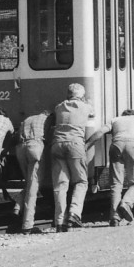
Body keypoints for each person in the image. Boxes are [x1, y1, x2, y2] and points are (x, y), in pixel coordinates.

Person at [50, 83, 95, 232]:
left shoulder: (59, 107)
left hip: (57, 144)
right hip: (75, 144)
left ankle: (59, 222)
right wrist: (87, 101)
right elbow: (93, 113)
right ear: (81, 96)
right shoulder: (85, 107)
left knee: (60, 185)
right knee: (81, 181)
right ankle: (74, 214)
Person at [107, 109, 134, 226]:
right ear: (133, 115)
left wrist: (88, 143)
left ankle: (114, 218)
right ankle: (126, 203)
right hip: (132, 147)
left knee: (116, 184)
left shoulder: (115, 120)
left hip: (116, 146)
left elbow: (101, 131)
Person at [15, 109, 53, 233]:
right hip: (35, 147)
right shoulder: (48, 119)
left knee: (29, 182)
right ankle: (27, 224)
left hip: (20, 148)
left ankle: (18, 205)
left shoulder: (28, 118)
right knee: (34, 185)